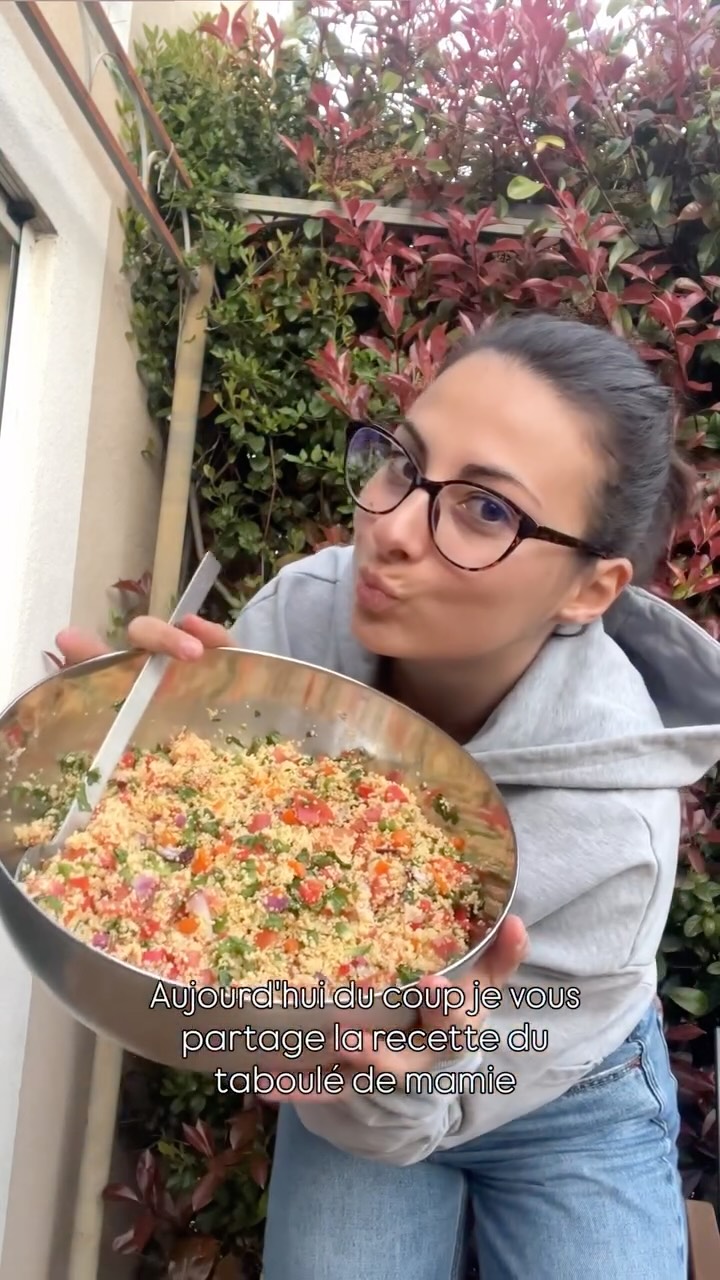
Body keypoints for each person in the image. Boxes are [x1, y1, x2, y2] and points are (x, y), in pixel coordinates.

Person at [58, 313, 720, 1280]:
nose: (391, 531)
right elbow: (229, 898)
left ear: (591, 589)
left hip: (561, 1081)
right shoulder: (300, 616)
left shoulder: (615, 830)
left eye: (487, 511)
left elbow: (471, 1072)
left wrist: (415, 1073)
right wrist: (118, 759)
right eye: (403, 466)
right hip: (357, 1076)